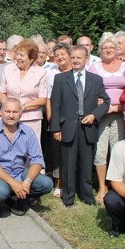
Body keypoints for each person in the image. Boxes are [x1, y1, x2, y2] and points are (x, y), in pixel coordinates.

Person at [50, 46, 110, 206]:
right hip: (67, 127)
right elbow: (55, 105)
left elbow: (106, 102)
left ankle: (87, 195)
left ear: (86, 59)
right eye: (73, 57)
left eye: (79, 58)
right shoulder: (61, 79)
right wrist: (55, 128)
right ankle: (68, 196)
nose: (76, 60)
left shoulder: (96, 80)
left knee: (86, 162)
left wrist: (94, 115)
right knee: (68, 163)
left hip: (87, 127)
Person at [0, 98, 53, 216]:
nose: (11, 115)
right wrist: (13, 183)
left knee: (46, 184)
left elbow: (37, 160)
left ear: (21, 114)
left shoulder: (28, 132)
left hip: (19, 171)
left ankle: (19, 199)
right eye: (7, 111)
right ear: (0, 112)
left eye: (15, 112)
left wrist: (27, 182)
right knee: (1, 192)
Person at [88, 32, 125, 205]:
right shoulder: (94, 68)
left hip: (120, 115)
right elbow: (88, 90)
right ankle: (102, 187)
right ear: (100, 50)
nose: (108, 50)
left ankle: (116, 187)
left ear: (117, 49)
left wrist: (117, 106)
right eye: (104, 48)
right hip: (101, 116)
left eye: (111, 47)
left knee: (117, 151)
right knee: (100, 152)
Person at [0, 39, 48, 141]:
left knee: (30, 151)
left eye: (22, 55)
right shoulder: (8, 69)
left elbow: (42, 99)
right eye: (17, 54)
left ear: (31, 58)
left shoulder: (41, 73)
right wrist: (10, 107)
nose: (18, 58)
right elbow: (1, 93)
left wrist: (22, 107)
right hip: (9, 118)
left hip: (31, 119)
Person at [47, 42, 73, 197]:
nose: (60, 57)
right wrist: (52, 118)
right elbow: (49, 98)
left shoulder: (78, 71)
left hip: (74, 117)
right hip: (58, 115)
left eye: (63, 54)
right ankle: (59, 182)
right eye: (57, 55)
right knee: (58, 152)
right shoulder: (52, 73)